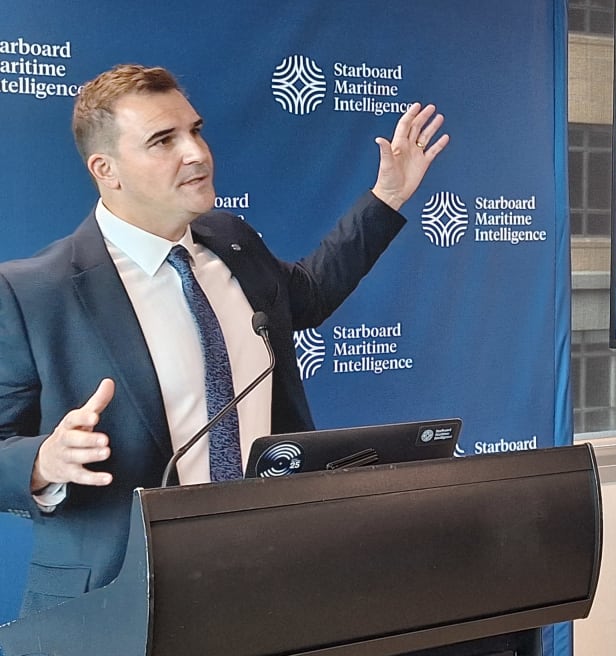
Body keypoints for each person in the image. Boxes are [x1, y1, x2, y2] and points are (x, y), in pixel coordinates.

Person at [0, 64, 448, 616]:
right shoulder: (34, 291)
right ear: (106, 169)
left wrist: (387, 196)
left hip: (269, 570)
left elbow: (305, 296)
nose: (196, 152)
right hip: (117, 602)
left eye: (195, 130)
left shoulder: (231, 242)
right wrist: (43, 460)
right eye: (164, 140)